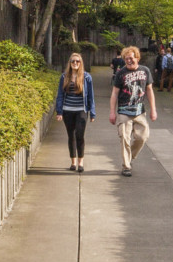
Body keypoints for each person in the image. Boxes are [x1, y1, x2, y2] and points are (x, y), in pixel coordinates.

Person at [108, 45, 157, 177]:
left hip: (140, 111)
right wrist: (112, 112)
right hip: (124, 111)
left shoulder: (145, 71)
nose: (128, 60)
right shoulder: (121, 73)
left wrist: (153, 110)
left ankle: (130, 158)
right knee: (124, 137)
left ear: (137, 58)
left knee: (143, 137)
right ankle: (126, 166)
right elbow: (114, 94)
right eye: (126, 58)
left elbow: (149, 90)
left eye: (131, 58)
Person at [56, 52, 96, 172]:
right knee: (71, 136)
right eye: (73, 61)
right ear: (70, 63)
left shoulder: (87, 77)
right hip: (68, 110)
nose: (75, 63)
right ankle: (73, 162)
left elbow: (91, 96)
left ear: (81, 63)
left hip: (81, 111)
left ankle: (81, 162)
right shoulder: (64, 77)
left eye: (77, 61)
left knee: (80, 135)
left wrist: (92, 112)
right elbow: (60, 95)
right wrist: (59, 112)